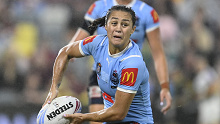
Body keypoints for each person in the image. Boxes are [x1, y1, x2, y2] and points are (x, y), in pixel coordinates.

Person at [43, 5, 168, 123]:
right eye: (114, 23)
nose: (118, 28)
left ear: (132, 30)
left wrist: (83, 117)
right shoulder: (97, 43)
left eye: (125, 24)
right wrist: (54, 88)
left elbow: (119, 113)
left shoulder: (132, 64)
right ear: (106, 26)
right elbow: (65, 52)